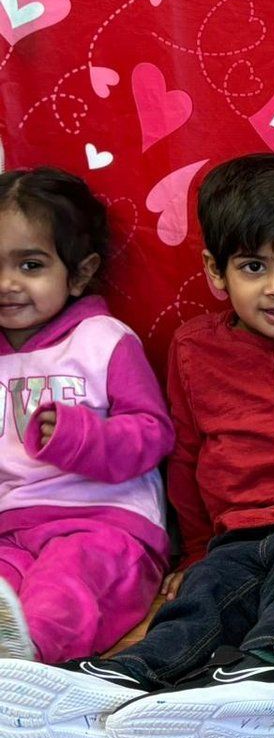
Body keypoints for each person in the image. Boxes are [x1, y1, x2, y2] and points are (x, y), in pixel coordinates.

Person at [0, 154, 274, 738]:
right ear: (216, 271)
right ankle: (125, 680)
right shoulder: (193, 347)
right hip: (234, 533)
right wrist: (196, 549)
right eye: (254, 267)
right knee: (200, 601)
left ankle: (263, 673)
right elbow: (188, 455)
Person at [0, 168, 172, 664]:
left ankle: (30, 661)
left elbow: (153, 433)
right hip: (14, 528)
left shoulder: (103, 341)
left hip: (106, 527)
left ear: (78, 273)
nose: (8, 284)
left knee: (64, 582)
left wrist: (81, 436)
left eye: (30, 265)